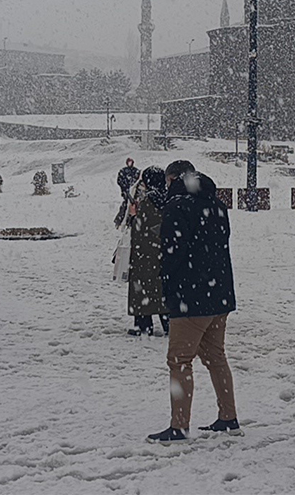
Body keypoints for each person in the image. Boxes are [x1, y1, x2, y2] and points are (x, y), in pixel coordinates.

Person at [147, 160, 240, 443]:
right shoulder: (217, 204)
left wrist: (167, 280)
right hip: (219, 294)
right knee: (216, 357)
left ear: (173, 178)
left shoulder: (176, 207)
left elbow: (172, 253)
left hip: (190, 297)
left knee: (179, 360)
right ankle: (229, 418)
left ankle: (179, 426)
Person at [127, 166, 170, 337]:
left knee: (142, 289)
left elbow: (140, 229)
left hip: (144, 254)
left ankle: (143, 325)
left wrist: (133, 216)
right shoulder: (170, 199)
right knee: (163, 289)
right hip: (164, 252)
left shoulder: (147, 202)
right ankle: (169, 323)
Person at [114, 158, 141, 227]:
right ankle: (119, 220)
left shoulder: (136, 171)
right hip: (126, 192)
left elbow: (138, 181)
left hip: (134, 192)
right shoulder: (123, 171)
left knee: (134, 206)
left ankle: (131, 221)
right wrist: (124, 189)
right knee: (125, 205)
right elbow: (119, 181)